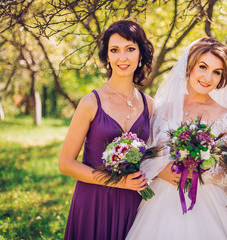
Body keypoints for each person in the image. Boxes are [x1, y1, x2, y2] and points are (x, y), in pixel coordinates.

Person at [126, 37, 227, 240]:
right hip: (160, 200)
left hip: (207, 202)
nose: (208, 77)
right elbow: (147, 154)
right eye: (203, 67)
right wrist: (159, 171)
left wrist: (201, 170)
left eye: (216, 72)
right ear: (189, 66)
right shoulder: (163, 106)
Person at [58, 20, 154, 240]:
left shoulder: (149, 104)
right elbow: (66, 164)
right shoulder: (90, 103)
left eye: (130, 49)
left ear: (140, 55)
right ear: (107, 57)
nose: (122, 57)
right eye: (115, 50)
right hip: (94, 201)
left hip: (133, 203)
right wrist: (119, 182)